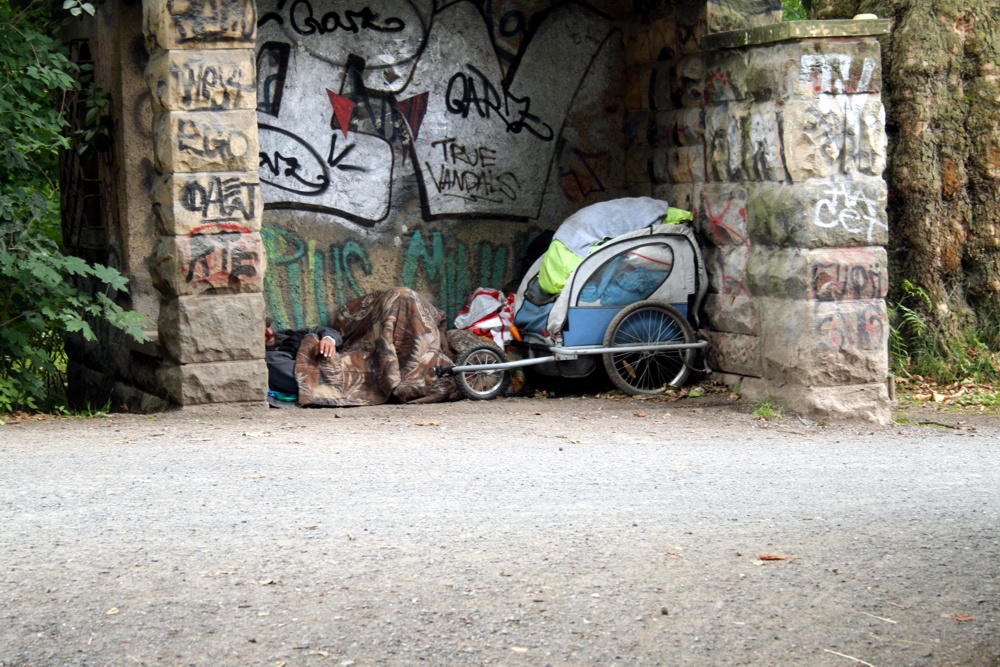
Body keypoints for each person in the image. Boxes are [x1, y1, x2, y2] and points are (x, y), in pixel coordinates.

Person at [264, 318, 343, 396]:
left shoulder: (286, 335)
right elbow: (309, 380)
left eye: (268, 325)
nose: (270, 332)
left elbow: (328, 331)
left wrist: (328, 340)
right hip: (334, 378)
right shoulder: (270, 360)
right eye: (262, 331)